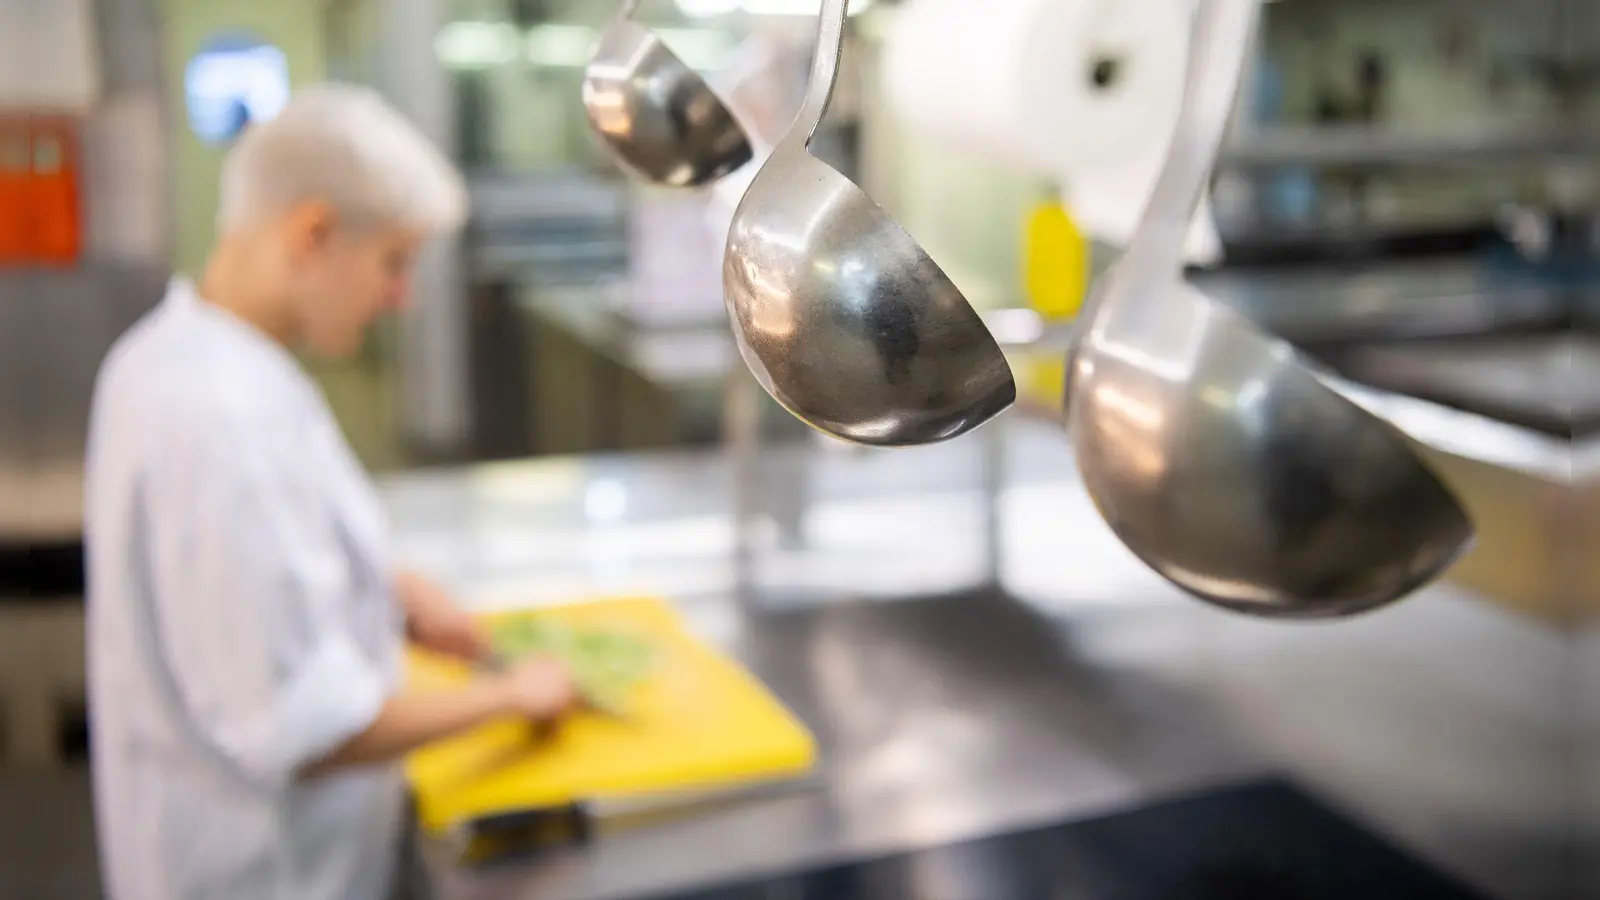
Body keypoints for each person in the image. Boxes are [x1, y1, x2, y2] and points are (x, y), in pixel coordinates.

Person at [84, 83, 577, 900]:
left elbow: (244, 580)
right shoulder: (217, 420)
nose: (401, 297)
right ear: (312, 234)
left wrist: (388, 592)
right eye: (393, 262)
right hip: (262, 872)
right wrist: (511, 695)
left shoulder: (176, 354)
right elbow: (303, 729)